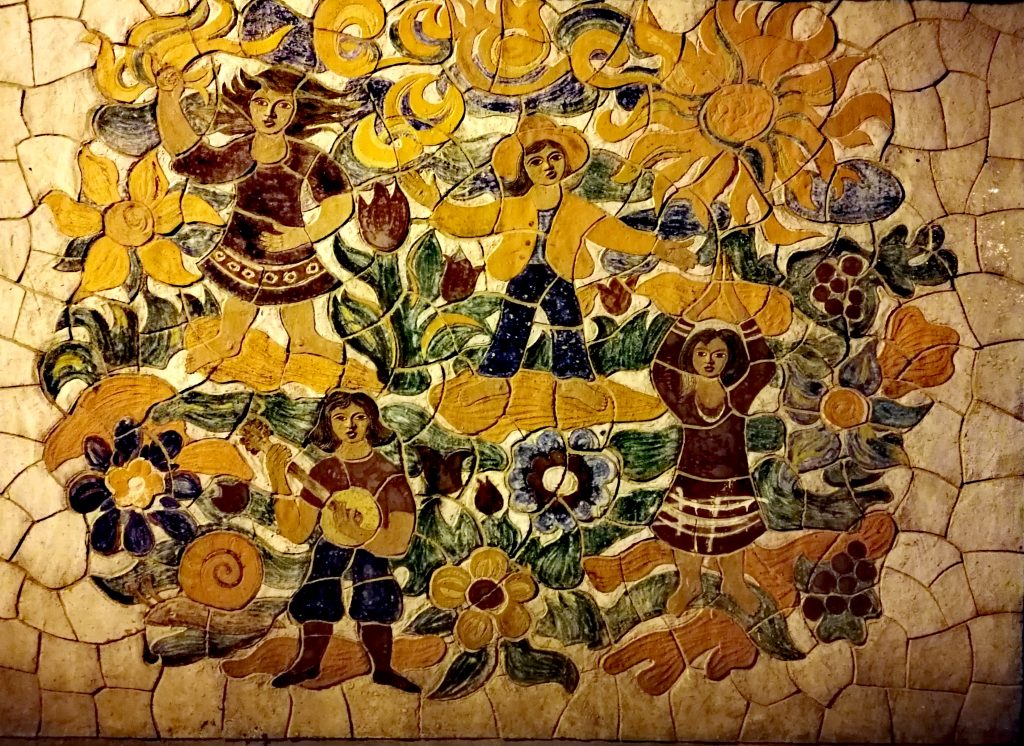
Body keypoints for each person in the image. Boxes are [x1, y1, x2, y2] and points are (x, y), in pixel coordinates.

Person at [400, 114, 696, 382]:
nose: (547, 166)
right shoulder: (512, 207)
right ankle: (496, 373)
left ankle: (574, 375)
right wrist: (434, 203)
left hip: (559, 273)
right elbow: (472, 221)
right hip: (522, 272)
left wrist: (662, 248)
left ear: (566, 161)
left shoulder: (578, 208)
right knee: (512, 324)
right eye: (536, 161)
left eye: (554, 157)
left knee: (568, 323)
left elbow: (615, 233)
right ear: (524, 169)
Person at [155, 65, 358, 370]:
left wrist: (303, 235)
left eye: (282, 105)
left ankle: (305, 340)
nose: (270, 114)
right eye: (261, 102)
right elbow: (195, 160)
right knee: (242, 298)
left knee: (296, 301)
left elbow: (340, 201)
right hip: (243, 244)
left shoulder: (306, 157)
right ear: (248, 105)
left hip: (290, 246)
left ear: (296, 111)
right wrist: (167, 98)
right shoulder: (243, 152)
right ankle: (228, 341)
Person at [263, 390, 419, 692]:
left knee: (375, 585)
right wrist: (279, 481)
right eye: (340, 418)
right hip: (332, 548)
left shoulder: (389, 475)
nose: (350, 425)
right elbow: (298, 532)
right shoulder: (324, 472)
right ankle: (308, 661)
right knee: (320, 582)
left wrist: (361, 535)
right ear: (329, 425)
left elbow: (399, 542)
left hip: (374, 548)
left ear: (372, 422)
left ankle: (382, 667)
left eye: (359, 417)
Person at [648, 268, 777, 615]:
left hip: (732, 478)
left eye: (718, 354)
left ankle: (733, 582)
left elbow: (764, 365)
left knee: (732, 533)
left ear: (729, 358)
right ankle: (688, 582)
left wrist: (737, 307)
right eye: (702, 354)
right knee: (684, 531)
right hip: (691, 478)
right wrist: (695, 310)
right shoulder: (684, 396)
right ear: (691, 357)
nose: (709, 361)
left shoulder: (738, 397)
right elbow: (660, 367)